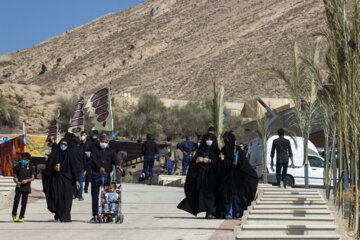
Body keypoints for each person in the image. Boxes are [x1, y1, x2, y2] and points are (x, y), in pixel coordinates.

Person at [178, 133, 220, 219]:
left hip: (213, 177)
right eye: (207, 139)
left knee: (211, 194)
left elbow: (219, 162)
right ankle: (209, 212)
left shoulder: (216, 151)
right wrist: (197, 161)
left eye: (211, 139)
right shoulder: (201, 150)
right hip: (202, 177)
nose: (209, 141)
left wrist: (208, 161)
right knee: (204, 194)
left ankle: (211, 212)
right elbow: (193, 164)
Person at [218, 132, 258, 219]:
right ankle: (229, 213)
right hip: (227, 177)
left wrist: (237, 163)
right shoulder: (224, 149)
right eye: (224, 139)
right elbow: (222, 163)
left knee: (236, 196)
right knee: (227, 195)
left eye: (227, 139)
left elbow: (243, 163)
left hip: (238, 177)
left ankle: (237, 212)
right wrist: (222, 159)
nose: (226, 141)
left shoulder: (237, 149)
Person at [46, 138, 80, 222]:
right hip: (56, 178)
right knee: (57, 197)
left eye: (65, 145)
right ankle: (58, 213)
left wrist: (76, 180)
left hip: (67, 179)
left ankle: (66, 216)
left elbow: (74, 168)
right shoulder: (55, 153)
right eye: (62, 144)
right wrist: (53, 167)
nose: (63, 146)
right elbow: (48, 166)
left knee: (67, 197)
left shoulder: (70, 154)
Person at [89, 134, 121, 222]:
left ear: (108, 142)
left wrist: (118, 165)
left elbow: (115, 159)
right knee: (95, 195)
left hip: (106, 175)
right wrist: (99, 168)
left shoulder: (111, 151)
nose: (104, 143)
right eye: (102, 141)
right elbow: (93, 160)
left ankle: (108, 214)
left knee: (108, 195)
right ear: (99, 141)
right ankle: (95, 214)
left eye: (105, 142)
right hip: (96, 174)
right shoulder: (95, 150)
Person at [12, 152, 34, 222]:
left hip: (26, 187)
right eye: (22, 159)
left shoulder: (30, 167)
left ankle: (21, 217)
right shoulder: (17, 166)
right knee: (16, 201)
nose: (23, 161)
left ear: (28, 160)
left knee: (24, 203)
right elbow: (14, 177)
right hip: (19, 187)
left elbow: (33, 178)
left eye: (25, 159)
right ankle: (14, 214)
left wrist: (27, 181)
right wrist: (16, 181)